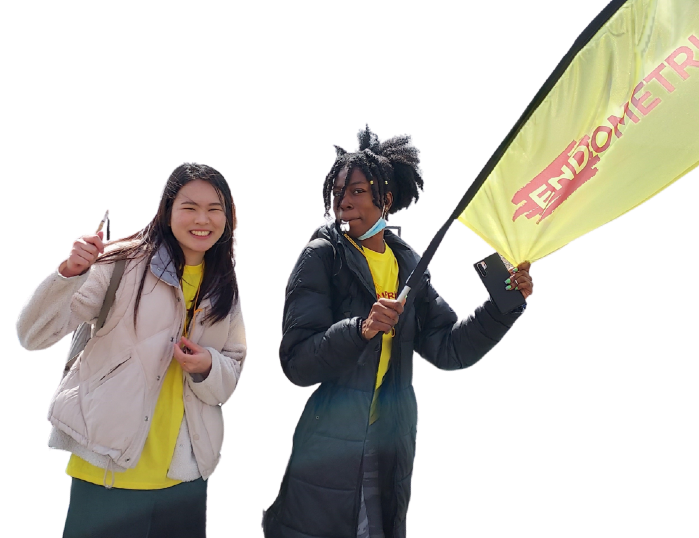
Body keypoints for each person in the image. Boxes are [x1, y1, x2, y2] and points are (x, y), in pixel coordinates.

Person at [262, 125, 534, 538]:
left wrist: (502, 307)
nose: (344, 203)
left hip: (390, 451)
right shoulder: (322, 255)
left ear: (386, 199)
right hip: (330, 453)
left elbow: (449, 349)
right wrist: (361, 330)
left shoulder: (409, 265)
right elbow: (297, 363)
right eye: (338, 193)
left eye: (357, 191)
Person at [15, 163, 247, 538]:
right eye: (189, 207)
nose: (202, 219)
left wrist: (207, 366)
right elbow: (32, 335)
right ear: (167, 209)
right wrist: (70, 273)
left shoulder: (224, 284)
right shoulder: (121, 262)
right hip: (106, 469)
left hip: (185, 475)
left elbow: (231, 371)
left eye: (215, 208)